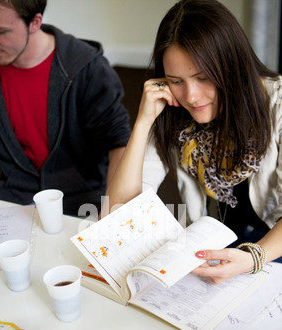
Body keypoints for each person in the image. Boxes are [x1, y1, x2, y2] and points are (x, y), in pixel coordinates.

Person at [105, 0, 282, 285]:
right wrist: (142, 122)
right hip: (217, 250)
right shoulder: (173, 110)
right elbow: (118, 212)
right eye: (176, 81)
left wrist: (254, 257)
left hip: (272, 249)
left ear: (231, 66)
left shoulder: (277, 105)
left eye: (203, 78)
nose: (192, 96)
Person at [0, 0, 131, 215]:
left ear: (35, 22)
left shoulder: (86, 68)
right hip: (16, 197)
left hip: (81, 199)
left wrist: (112, 210)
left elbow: (119, 142)